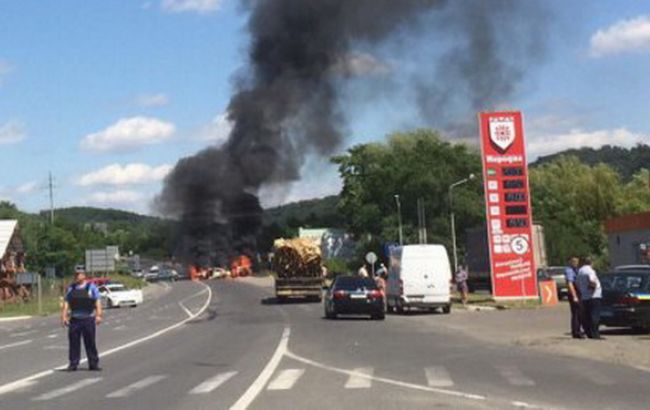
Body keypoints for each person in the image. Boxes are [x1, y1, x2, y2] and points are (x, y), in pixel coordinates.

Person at [61, 269, 103, 371]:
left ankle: (93, 363)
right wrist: (64, 316)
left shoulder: (91, 287)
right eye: (75, 274)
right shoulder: (72, 288)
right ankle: (73, 363)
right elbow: (66, 303)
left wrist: (98, 315)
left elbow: (97, 302)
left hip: (88, 318)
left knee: (90, 342)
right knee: (74, 343)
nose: (76, 276)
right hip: (75, 319)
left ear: (84, 276)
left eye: (78, 274)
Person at [576, 257, 603, 339]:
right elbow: (592, 281)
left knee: (587, 315)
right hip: (594, 296)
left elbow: (577, 283)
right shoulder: (590, 271)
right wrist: (593, 289)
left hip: (585, 296)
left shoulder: (580, 271)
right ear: (591, 263)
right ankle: (595, 334)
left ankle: (589, 333)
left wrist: (582, 290)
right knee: (595, 315)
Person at [564, 256, 584, 339]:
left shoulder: (577, 270)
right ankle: (576, 332)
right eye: (574, 261)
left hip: (578, 292)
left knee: (579, 313)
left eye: (577, 261)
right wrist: (574, 296)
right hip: (574, 293)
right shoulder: (569, 270)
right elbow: (570, 284)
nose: (576, 263)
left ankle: (577, 330)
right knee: (576, 313)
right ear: (570, 262)